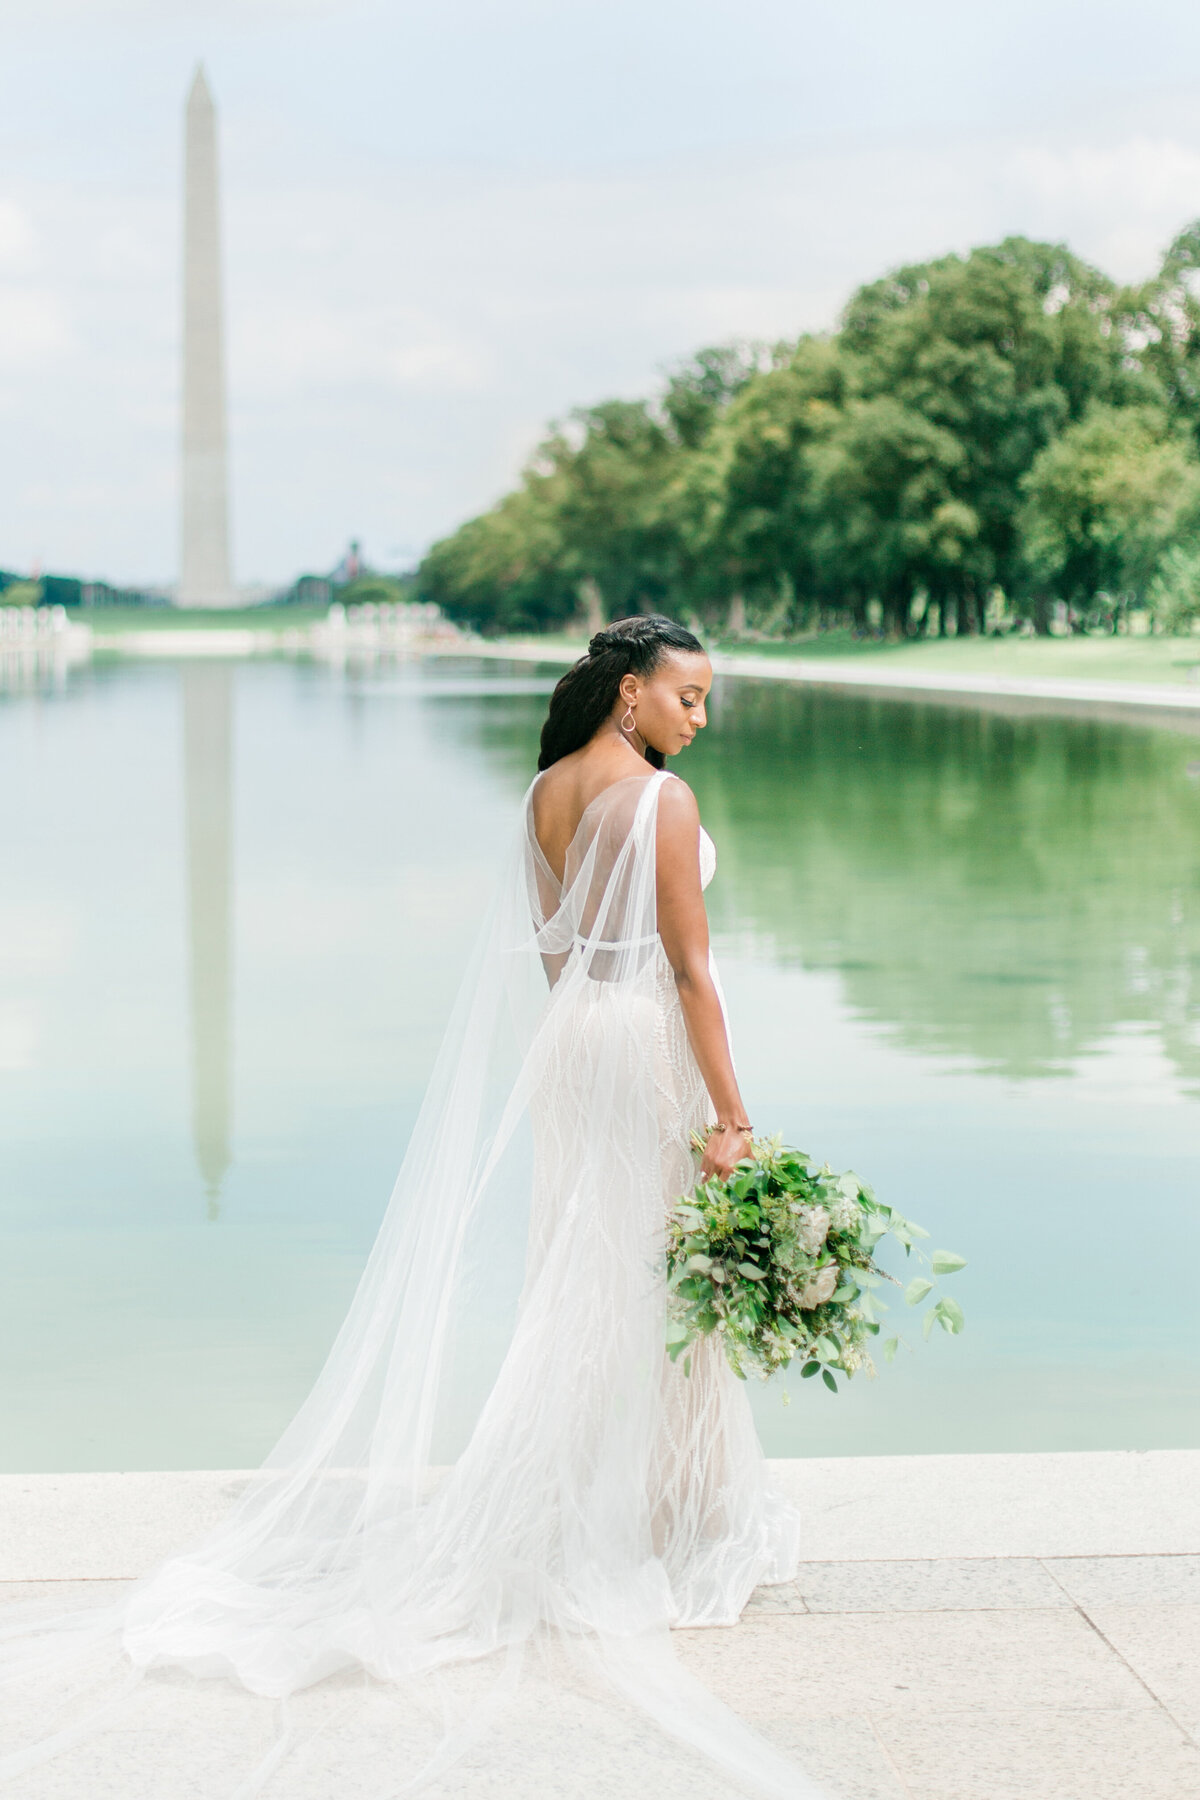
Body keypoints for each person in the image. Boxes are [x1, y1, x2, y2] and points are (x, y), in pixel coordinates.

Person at [1, 616, 819, 1799]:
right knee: (657, 1274)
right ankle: (670, 1522)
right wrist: (731, 1118)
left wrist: (590, 1036)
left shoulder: (542, 791)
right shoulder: (661, 803)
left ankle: (595, 1509)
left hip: (574, 1045)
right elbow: (690, 972)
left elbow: (554, 955)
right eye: (687, 697)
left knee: (581, 1275)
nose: (700, 719)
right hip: (645, 1043)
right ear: (630, 696)